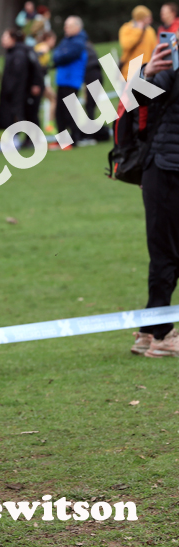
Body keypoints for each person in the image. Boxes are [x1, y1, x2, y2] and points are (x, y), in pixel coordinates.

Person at [130, 42, 179, 358]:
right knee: (167, 253)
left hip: (160, 168)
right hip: (167, 168)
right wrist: (144, 73)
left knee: (165, 251)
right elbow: (136, 100)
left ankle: (150, 329)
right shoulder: (168, 67)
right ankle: (161, 336)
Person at [52, 16, 88, 149]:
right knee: (59, 112)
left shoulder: (79, 41)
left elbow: (65, 56)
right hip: (62, 79)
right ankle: (62, 139)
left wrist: (60, 55)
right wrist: (59, 55)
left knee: (69, 111)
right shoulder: (66, 40)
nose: (65, 28)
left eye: (68, 25)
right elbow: (56, 55)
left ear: (77, 27)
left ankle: (73, 139)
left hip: (72, 80)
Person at [0, 29, 31, 133]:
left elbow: (17, 75)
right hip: (9, 92)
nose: (2, 40)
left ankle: (16, 139)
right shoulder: (10, 53)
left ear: (13, 39)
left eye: (5, 37)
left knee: (14, 114)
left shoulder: (18, 54)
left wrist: (9, 88)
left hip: (15, 93)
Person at [119, 6, 158, 80]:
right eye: (147, 16)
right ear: (141, 18)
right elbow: (126, 45)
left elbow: (154, 49)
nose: (150, 18)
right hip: (129, 73)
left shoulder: (150, 30)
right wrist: (138, 31)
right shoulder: (126, 28)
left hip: (145, 72)